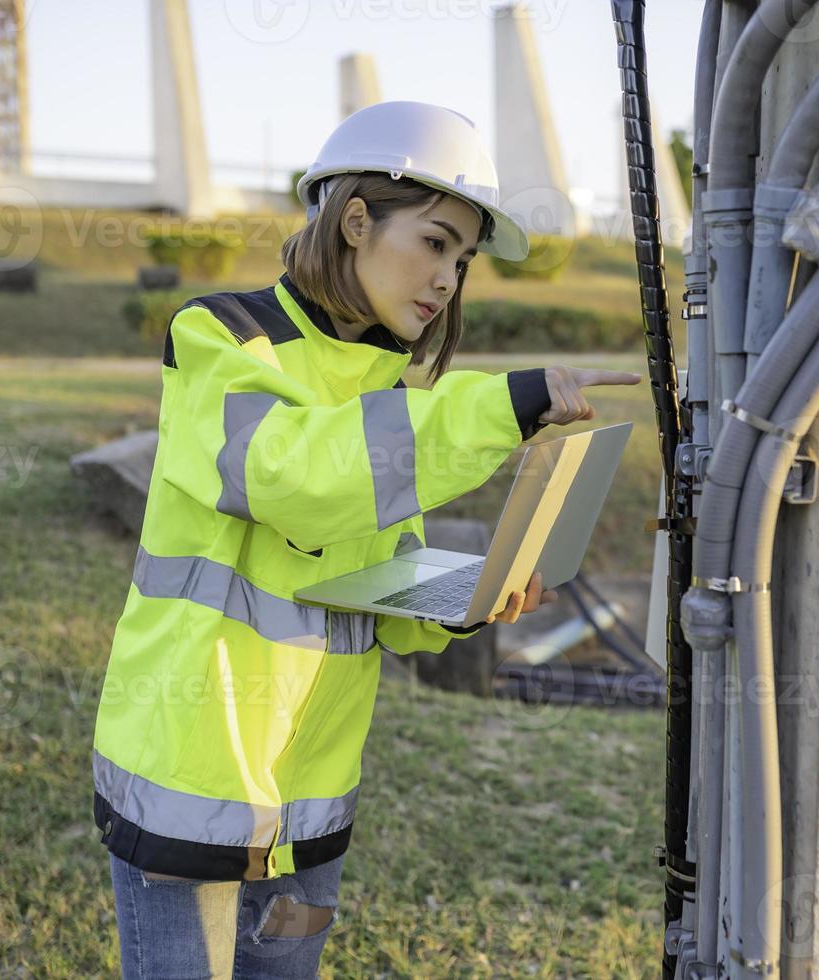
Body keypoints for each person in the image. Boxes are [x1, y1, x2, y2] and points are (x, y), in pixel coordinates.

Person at [91, 100, 641, 978]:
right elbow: (293, 478)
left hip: (309, 802)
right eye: (434, 242)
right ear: (355, 221)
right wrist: (498, 405)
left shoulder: (383, 391)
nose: (448, 278)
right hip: (189, 780)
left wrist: (467, 599)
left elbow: (381, 585)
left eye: (462, 260)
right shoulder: (222, 339)